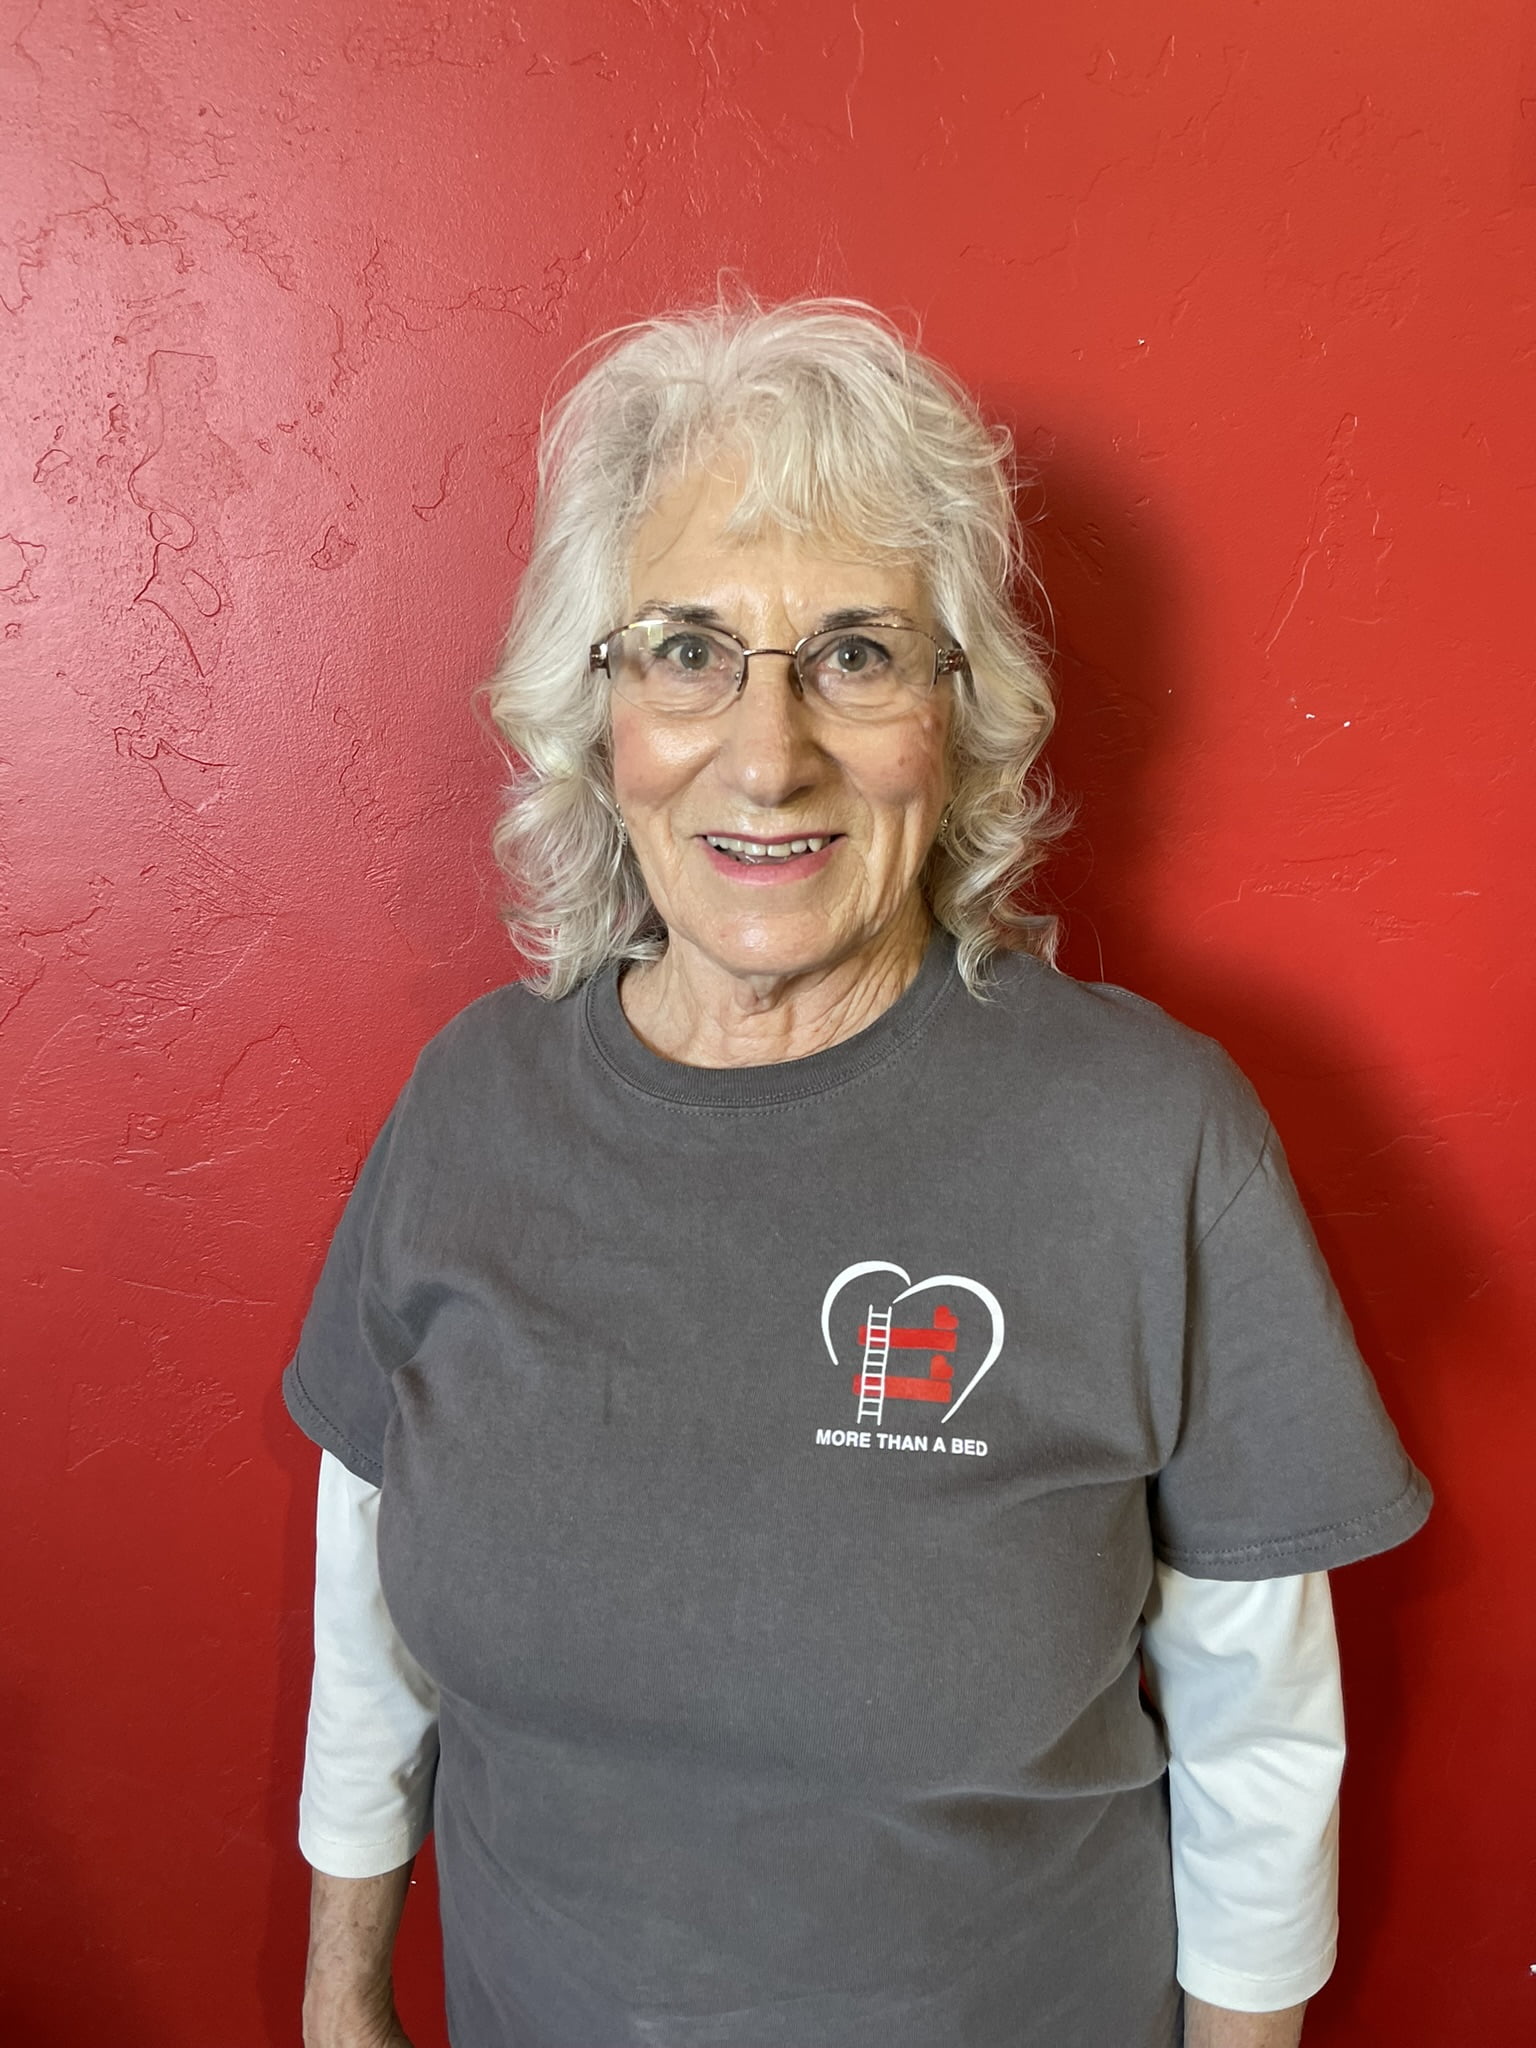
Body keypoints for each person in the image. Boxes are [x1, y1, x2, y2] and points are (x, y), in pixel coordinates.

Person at [284, 299, 1430, 2048]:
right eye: (687, 649)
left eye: (854, 654)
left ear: (957, 718)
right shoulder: (468, 1107)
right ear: (597, 711)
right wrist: (340, 1995)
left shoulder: (1145, 1137)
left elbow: (1256, 1729)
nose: (768, 755)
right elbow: (368, 1613)